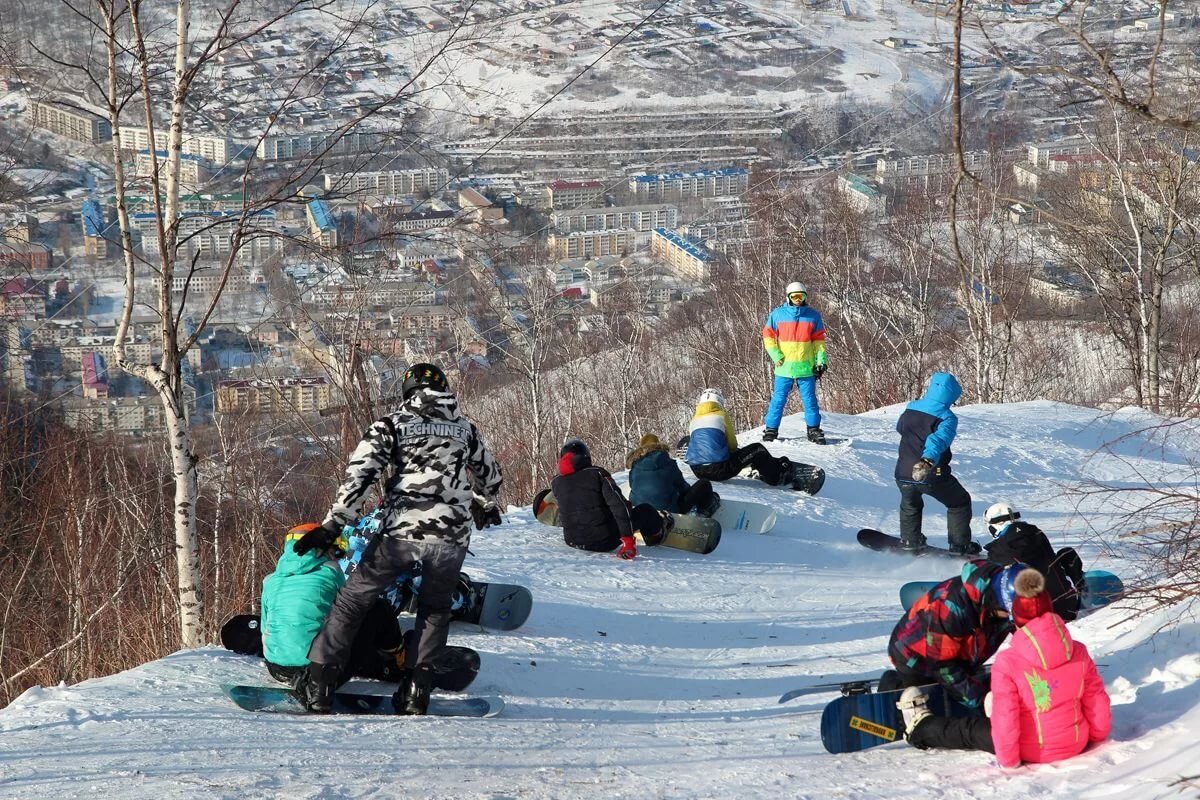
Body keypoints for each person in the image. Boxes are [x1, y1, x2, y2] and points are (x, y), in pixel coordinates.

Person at [294, 362, 503, 715]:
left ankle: (319, 683)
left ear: (408, 391)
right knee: (434, 609)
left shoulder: (392, 424)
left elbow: (361, 475)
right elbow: (490, 475)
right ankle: (416, 692)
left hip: (400, 532)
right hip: (451, 536)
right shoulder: (465, 428)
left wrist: (335, 525)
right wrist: (483, 502)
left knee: (352, 601)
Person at [898, 568, 1111, 768]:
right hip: (1075, 743)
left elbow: (1006, 717)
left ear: (1015, 618)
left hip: (1031, 750)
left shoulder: (1008, 662)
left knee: (971, 731)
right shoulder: (1078, 651)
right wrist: (1097, 736)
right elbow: (1096, 699)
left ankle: (922, 728)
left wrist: (1009, 760)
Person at [260, 524, 475, 691]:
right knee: (376, 610)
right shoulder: (329, 571)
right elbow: (350, 613)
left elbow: (264, 628)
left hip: (277, 669)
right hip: (318, 671)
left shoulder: (270, 580)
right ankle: (398, 661)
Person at [886, 561, 1028, 712]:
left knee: (966, 693)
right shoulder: (949, 607)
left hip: (959, 654)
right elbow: (943, 667)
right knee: (928, 706)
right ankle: (893, 688)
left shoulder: (1007, 599)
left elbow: (1031, 636)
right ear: (996, 603)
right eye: (1011, 614)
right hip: (916, 657)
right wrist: (982, 701)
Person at [894, 371, 978, 555]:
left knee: (910, 504)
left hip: (903, 472)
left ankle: (910, 541)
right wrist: (927, 460)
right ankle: (959, 546)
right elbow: (938, 440)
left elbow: (900, 428)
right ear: (951, 395)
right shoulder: (946, 417)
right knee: (959, 502)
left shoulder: (911, 407)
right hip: (930, 472)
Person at [552, 438, 667, 560]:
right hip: (604, 541)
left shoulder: (556, 482)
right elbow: (619, 506)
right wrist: (628, 540)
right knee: (645, 510)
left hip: (572, 541)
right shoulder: (598, 474)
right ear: (586, 456)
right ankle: (654, 536)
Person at [982, 502, 1084, 621]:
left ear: (994, 526)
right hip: (1067, 609)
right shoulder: (1037, 533)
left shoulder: (996, 551)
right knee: (1066, 553)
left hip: (1034, 618)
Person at [685, 389, 795, 488]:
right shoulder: (721, 415)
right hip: (718, 470)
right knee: (757, 449)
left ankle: (759, 466)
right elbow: (732, 445)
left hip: (697, 471)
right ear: (719, 401)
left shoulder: (693, 421)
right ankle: (776, 477)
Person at [761, 281, 827, 444]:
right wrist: (776, 356)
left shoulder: (813, 316)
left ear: (805, 297)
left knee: (810, 400)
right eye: (795, 296)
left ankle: (813, 429)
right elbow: (767, 337)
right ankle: (771, 429)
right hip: (785, 367)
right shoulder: (778, 315)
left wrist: (821, 361)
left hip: (806, 366)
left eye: (801, 296)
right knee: (778, 399)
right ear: (788, 297)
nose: (798, 299)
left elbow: (819, 341)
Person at [626, 433, 719, 517]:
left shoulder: (635, 466)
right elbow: (682, 487)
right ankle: (704, 511)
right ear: (658, 445)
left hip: (642, 510)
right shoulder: (667, 462)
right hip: (669, 511)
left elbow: (633, 486)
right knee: (704, 484)